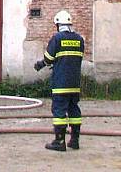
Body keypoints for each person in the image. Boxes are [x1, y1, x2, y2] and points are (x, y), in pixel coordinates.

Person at [34, 9, 84, 151]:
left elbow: (49, 58)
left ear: (58, 25)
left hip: (61, 82)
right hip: (75, 83)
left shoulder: (57, 38)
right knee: (74, 109)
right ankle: (75, 140)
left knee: (59, 111)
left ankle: (59, 141)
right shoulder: (79, 39)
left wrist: (40, 64)